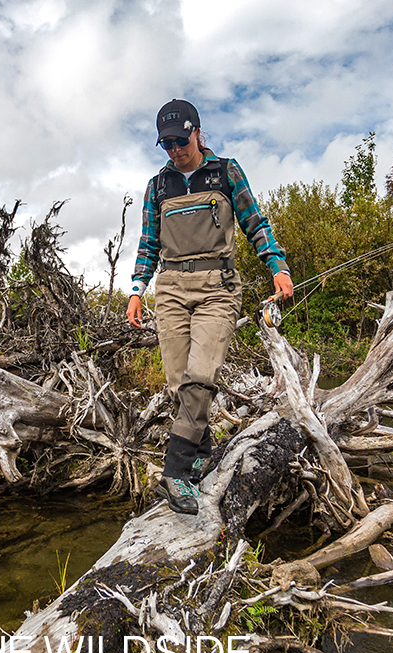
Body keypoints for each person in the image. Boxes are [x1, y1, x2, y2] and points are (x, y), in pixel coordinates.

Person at [126, 99, 294, 515]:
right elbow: (148, 243)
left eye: (181, 140)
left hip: (218, 286)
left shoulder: (226, 172)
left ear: (197, 133)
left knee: (201, 376)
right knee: (178, 384)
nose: (175, 150)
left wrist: (278, 267)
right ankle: (203, 453)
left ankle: (177, 471)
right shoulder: (157, 186)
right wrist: (135, 290)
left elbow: (256, 223)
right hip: (170, 288)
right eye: (165, 144)